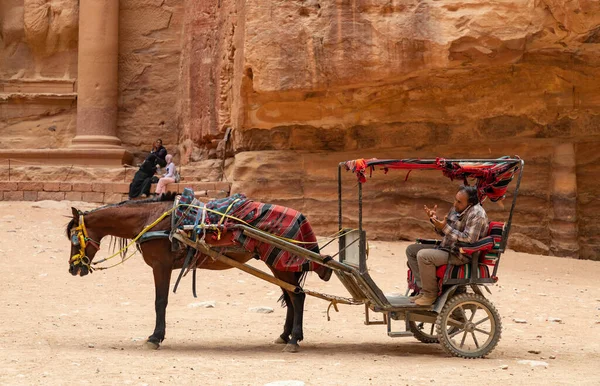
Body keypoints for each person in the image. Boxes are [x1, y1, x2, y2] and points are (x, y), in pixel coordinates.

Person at [406, 185, 488, 306]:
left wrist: (445, 227)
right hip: (447, 248)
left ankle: (430, 294)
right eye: (455, 199)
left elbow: (469, 240)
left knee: (424, 256)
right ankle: (423, 290)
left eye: (459, 202)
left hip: (460, 254)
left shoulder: (477, 214)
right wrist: (435, 221)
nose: (455, 204)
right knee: (411, 250)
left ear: (470, 203)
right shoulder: (457, 209)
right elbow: (444, 230)